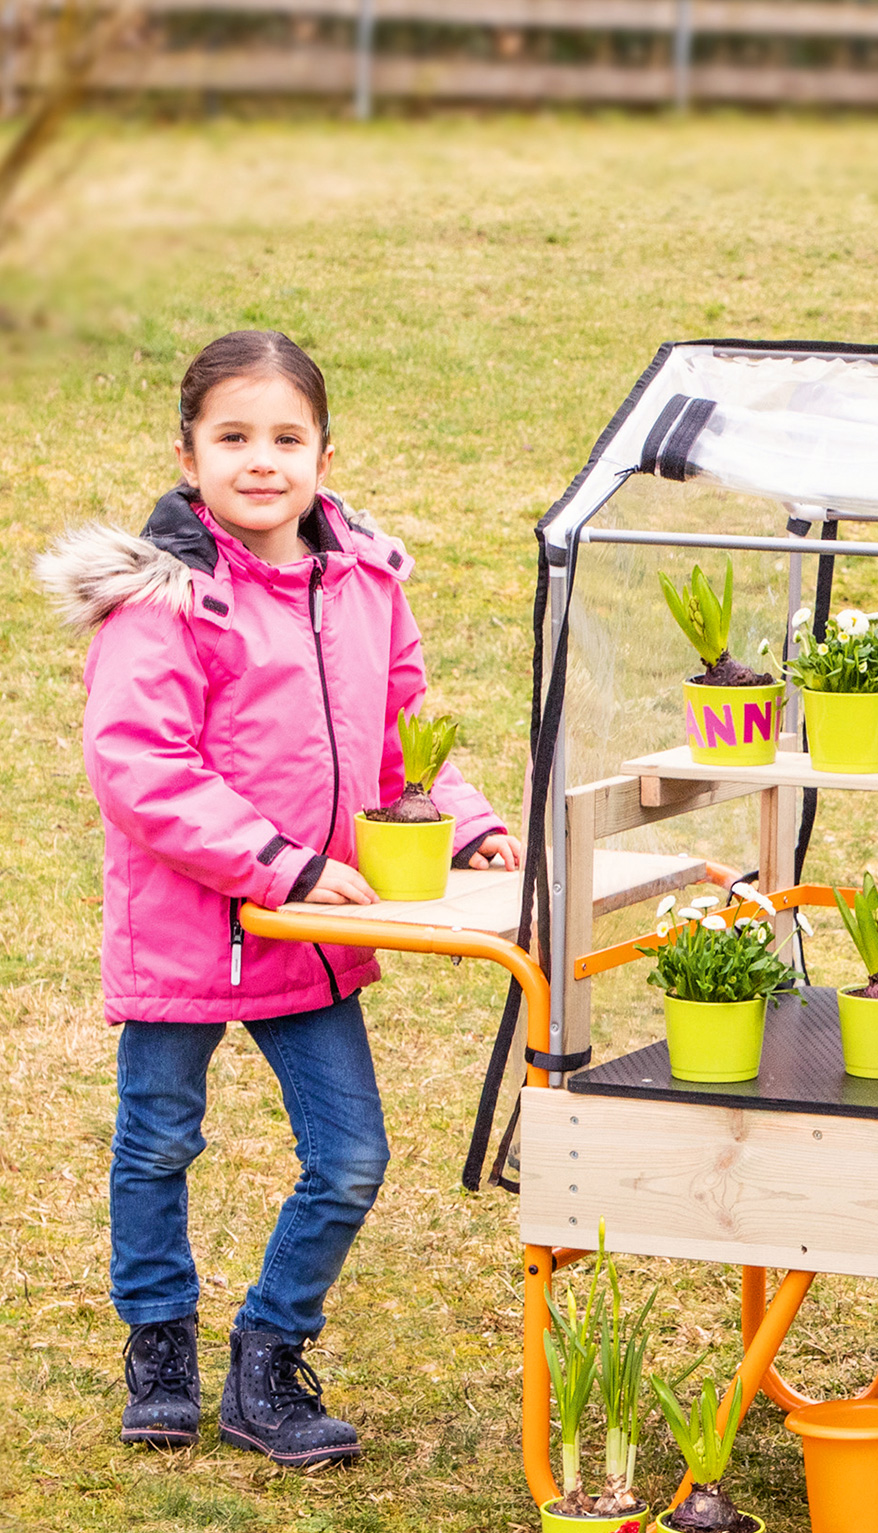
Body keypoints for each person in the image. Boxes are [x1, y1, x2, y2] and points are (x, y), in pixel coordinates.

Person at [40, 329, 521, 1469]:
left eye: (286, 437)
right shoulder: (165, 603)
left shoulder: (364, 584)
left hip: (311, 939)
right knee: (159, 1143)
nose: (262, 460)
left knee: (350, 1156)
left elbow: (412, 735)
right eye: (234, 437)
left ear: (324, 449)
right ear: (189, 454)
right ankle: (159, 1347)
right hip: (192, 930)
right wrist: (283, 863)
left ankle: (268, 1356)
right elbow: (142, 769)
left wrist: (473, 822)